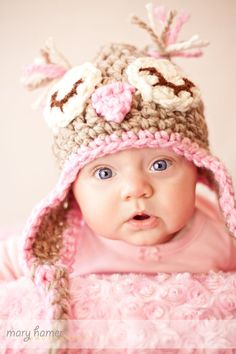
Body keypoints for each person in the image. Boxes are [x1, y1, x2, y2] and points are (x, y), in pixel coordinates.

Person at [0, 4, 236, 353]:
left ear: (200, 171)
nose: (136, 189)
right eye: (105, 173)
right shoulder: (60, 241)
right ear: (71, 191)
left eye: (160, 165)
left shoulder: (221, 230)